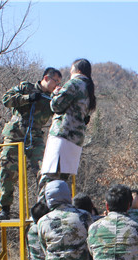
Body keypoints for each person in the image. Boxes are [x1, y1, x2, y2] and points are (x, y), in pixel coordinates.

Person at [0, 67, 62, 220]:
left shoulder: (52, 100)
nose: (57, 85)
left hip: (35, 138)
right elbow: (6, 99)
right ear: (46, 78)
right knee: (7, 170)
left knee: (44, 170)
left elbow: (62, 112)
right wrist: (28, 98)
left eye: (59, 83)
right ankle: (4, 208)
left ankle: (44, 206)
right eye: (56, 81)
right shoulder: (26, 87)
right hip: (15, 135)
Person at [39, 59, 96, 193]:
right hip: (76, 139)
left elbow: (56, 106)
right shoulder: (89, 89)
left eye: (71, 70)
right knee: (62, 181)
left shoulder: (74, 83)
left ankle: (43, 205)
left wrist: (55, 94)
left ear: (78, 70)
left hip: (62, 134)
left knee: (49, 177)